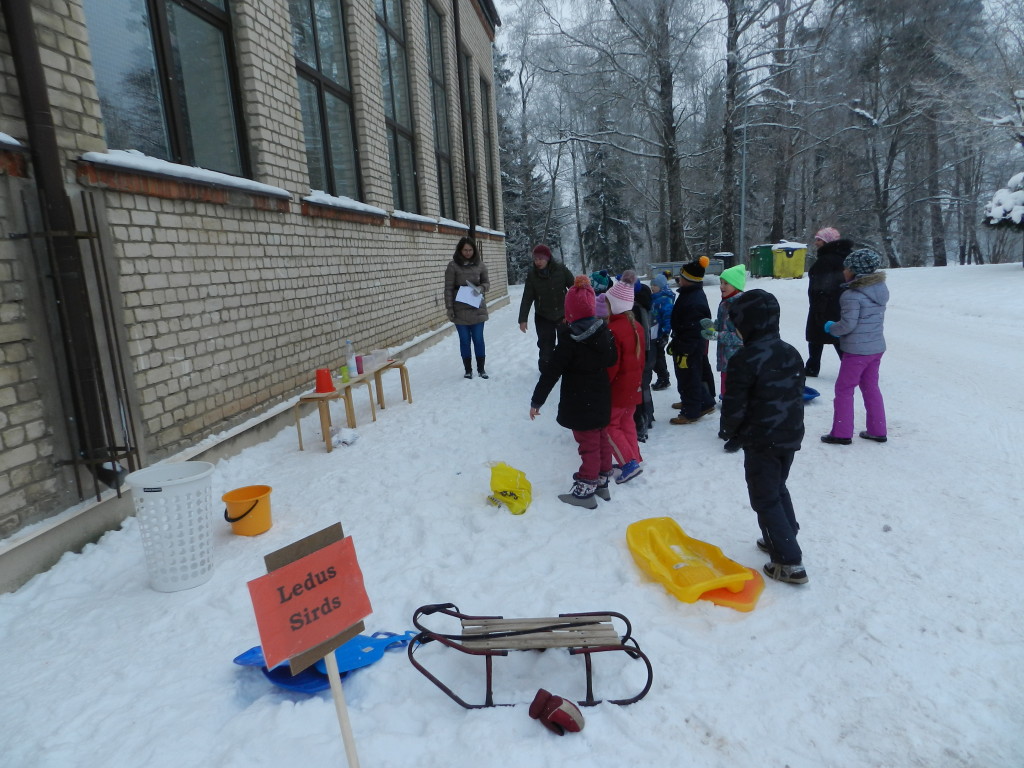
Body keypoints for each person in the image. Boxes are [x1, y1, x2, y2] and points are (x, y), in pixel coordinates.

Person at [718, 289, 808, 585]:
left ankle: (788, 562)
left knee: (764, 497)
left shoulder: (745, 359)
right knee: (777, 487)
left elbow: (734, 404)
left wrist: (729, 430)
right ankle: (784, 534)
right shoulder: (791, 352)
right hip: (789, 436)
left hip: (761, 440)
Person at [529, 276, 618, 509]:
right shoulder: (605, 332)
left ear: (569, 312)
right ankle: (602, 483)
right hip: (601, 397)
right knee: (601, 439)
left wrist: (537, 401)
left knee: (588, 445)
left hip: (580, 402)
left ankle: (585, 491)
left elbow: (551, 373)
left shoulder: (569, 341)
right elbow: (612, 359)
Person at [821, 248, 889, 445]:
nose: (844, 271)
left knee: (844, 388)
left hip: (856, 351)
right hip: (875, 348)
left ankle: (841, 433)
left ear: (855, 271)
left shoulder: (851, 295)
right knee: (871, 387)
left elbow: (848, 325)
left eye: (846, 268)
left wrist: (832, 328)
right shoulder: (879, 290)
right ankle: (877, 429)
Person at [604, 279, 645, 483]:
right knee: (627, 422)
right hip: (634, 386)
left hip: (618, 389)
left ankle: (628, 463)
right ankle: (634, 457)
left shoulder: (613, 330)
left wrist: (604, 384)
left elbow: (612, 365)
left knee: (610, 426)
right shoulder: (636, 326)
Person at [668, 256, 716, 424]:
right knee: (687, 376)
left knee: (689, 378)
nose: (678, 279)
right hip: (685, 343)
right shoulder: (689, 293)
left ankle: (691, 411)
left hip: (689, 346)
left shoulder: (694, 300)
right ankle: (700, 402)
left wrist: (685, 349)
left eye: (681, 277)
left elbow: (694, 329)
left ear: (689, 280)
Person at [804, 227, 854, 377]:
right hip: (840, 303)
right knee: (838, 335)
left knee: (819, 334)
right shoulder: (845, 257)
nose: (816, 242)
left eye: (819, 240)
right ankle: (850, 367)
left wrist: (818, 307)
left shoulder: (826, 260)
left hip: (824, 303)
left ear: (827, 242)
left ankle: (813, 367)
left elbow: (822, 285)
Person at [518, 245, 575, 372]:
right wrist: (523, 319)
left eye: (541, 259)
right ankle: (546, 369)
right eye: (535, 259)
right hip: (543, 316)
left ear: (548, 258)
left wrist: (573, 312)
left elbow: (574, 289)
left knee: (566, 343)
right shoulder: (532, 275)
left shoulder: (561, 269)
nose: (537, 262)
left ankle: (567, 367)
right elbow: (527, 298)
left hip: (563, 315)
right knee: (546, 345)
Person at [444, 236, 490, 379]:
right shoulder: (453, 266)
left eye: (470, 250)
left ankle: (481, 369)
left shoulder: (480, 265)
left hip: (477, 308)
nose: (468, 253)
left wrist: (481, 288)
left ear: (474, 250)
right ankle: (468, 370)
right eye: (465, 250)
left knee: (478, 339)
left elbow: (487, 283)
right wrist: (449, 308)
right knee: (464, 340)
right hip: (460, 309)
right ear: (460, 250)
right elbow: (448, 288)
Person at [620, 270, 654, 442]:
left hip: (642, 352)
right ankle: (648, 415)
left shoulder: (636, 307)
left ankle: (642, 421)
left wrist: (642, 353)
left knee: (640, 386)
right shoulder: (642, 300)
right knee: (643, 386)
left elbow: (641, 333)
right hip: (645, 350)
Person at [649, 273, 674, 390]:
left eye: (655, 285)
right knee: (656, 356)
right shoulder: (654, 298)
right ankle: (663, 377)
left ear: (662, 286)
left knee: (657, 357)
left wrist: (665, 333)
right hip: (654, 332)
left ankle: (664, 378)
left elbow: (668, 317)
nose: (652, 287)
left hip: (660, 333)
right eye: (652, 285)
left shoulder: (665, 300)